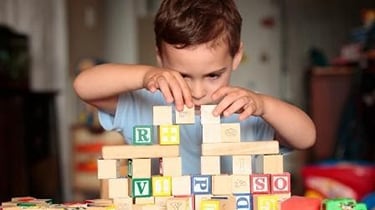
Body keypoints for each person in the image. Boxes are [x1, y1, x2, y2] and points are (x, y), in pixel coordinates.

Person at [73, 0, 316, 175]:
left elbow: (306, 137)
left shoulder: (248, 109)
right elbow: (84, 86)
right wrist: (146, 75)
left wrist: (264, 105)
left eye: (213, 75)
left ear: (236, 56)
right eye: (182, 76)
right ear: (160, 57)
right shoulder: (144, 103)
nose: (198, 92)